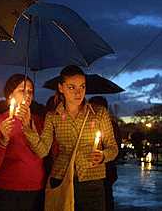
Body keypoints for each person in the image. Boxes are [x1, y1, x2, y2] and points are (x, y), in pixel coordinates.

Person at [19, 65, 118, 211]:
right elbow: (42, 151)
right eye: (71, 87)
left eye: (82, 87)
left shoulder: (99, 113)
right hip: (61, 179)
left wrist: (103, 155)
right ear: (61, 88)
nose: (79, 92)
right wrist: (27, 128)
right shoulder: (53, 116)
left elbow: (113, 148)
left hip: (92, 180)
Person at [0, 74, 46, 211]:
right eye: (22, 91)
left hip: (35, 190)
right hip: (6, 190)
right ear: (10, 95)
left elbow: (43, 153)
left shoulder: (40, 122)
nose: (27, 95)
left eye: (30, 91)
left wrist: (29, 127)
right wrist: (3, 142)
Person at [89, 96, 121, 211]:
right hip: (104, 170)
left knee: (105, 198)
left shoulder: (110, 125)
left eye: (93, 106)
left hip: (106, 169)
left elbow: (114, 147)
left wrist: (103, 154)